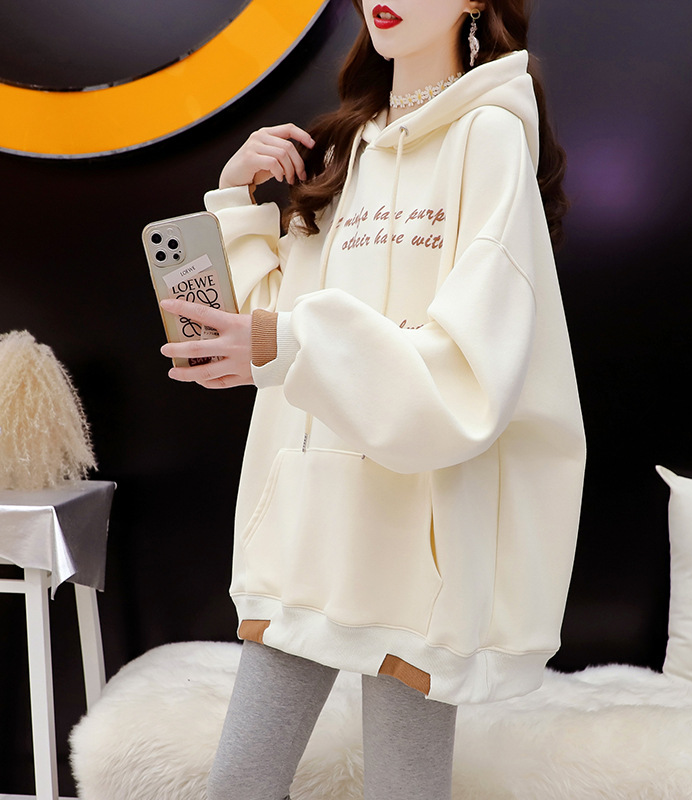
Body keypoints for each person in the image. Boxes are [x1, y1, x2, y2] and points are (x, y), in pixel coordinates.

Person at [160, 1, 586, 798]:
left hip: (417, 538)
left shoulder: (489, 137)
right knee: (239, 785)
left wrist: (288, 342)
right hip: (308, 529)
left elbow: (470, 373)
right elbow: (273, 334)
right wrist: (234, 200)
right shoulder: (343, 149)